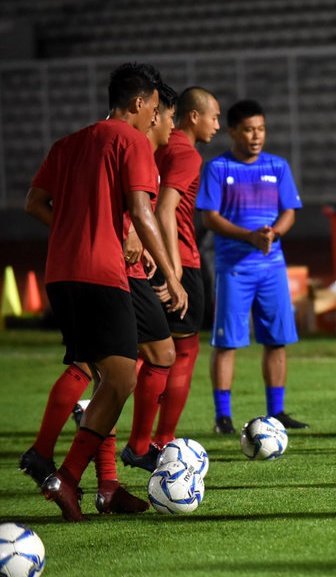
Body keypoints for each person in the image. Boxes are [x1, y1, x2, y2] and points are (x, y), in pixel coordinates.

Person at [24, 62, 187, 521]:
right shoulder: (130, 140)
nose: (156, 117)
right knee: (120, 379)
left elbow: (34, 202)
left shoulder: (68, 143)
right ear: (138, 104)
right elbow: (140, 208)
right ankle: (68, 478)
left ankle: (104, 486)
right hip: (101, 273)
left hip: (61, 274)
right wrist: (172, 278)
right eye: (154, 108)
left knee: (106, 377)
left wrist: (75, 229)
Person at [196, 99, 307, 434]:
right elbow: (210, 218)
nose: (256, 136)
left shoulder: (278, 166)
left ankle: (277, 412)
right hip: (233, 267)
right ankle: (223, 416)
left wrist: (275, 232)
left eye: (260, 129)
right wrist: (248, 236)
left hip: (272, 265)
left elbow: (289, 210)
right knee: (226, 341)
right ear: (232, 131)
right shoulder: (217, 168)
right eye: (248, 129)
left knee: (276, 340)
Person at [139, 87, 221, 454]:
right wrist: (174, 273)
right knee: (183, 353)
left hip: (147, 256)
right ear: (193, 116)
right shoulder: (186, 153)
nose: (217, 125)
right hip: (180, 260)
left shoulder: (154, 144)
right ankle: (162, 438)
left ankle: (105, 412)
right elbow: (165, 209)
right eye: (214, 117)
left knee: (149, 350)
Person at [118, 82, 182, 472]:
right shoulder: (134, 147)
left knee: (111, 369)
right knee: (113, 370)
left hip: (126, 267)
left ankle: (114, 472)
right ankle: (138, 448)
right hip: (115, 271)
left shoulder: (144, 154)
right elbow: (143, 213)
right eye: (164, 114)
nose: (166, 122)